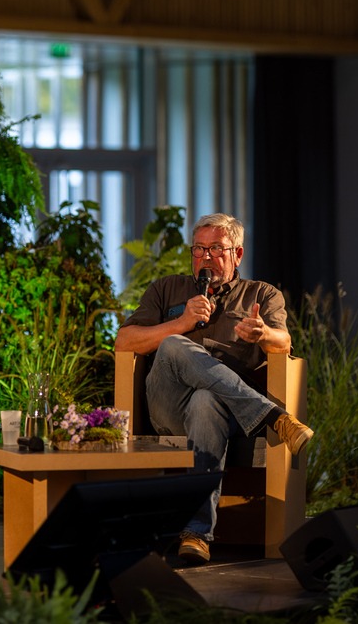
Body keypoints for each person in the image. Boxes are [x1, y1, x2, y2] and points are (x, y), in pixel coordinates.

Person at [114, 212, 314, 565]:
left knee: (206, 401)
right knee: (175, 344)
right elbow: (125, 340)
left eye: (216, 249)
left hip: (226, 416)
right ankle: (274, 416)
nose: (205, 257)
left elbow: (284, 342)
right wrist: (181, 323)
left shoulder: (261, 294)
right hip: (168, 406)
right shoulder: (166, 289)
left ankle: (196, 535)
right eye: (199, 249)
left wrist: (262, 334)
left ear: (237, 254)